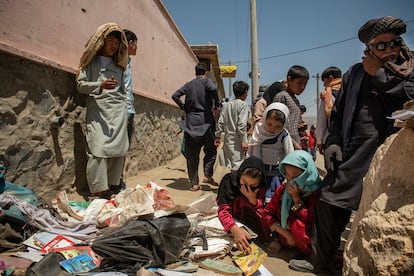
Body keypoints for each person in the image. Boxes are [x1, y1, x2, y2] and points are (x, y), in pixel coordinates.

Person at [289, 16, 414, 274]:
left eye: (394, 43)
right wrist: (333, 142)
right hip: (355, 150)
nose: (389, 49)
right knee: (328, 200)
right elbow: (338, 113)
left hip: (393, 154)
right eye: (381, 46)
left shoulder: (409, 68)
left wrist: (379, 75)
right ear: (368, 49)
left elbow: (410, 94)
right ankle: (321, 262)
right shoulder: (355, 73)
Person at [76, 23, 129, 199]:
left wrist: (125, 111)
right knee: (97, 149)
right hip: (98, 112)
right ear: (102, 41)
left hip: (118, 113)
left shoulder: (120, 67)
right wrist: (100, 85)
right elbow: (80, 85)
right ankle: (99, 189)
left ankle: (112, 185)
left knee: (119, 149)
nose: (114, 45)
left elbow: (123, 91)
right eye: (110, 40)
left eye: (117, 41)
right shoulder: (90, 63)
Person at [172, 63, 221, 191]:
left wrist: (184, 107)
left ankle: (194, 183)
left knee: (192, 155)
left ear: (195, 72)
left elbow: (175, 95)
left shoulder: (189, 85)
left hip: (191, 124)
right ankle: (207, 174)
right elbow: (214, 89)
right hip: (206, 123)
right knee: (211, 151)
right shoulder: (207, 82)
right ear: (205, 72)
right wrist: (216, 105)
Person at [264, 150, 321, 257]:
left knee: (296, 225)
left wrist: (296, 198)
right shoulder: (283, 189)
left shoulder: (316, 193)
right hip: (284, 236)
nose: (290, 180)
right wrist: (286, 234)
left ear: (306, 173)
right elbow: (267, 214)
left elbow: (311, 221)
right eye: (287, 175)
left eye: (295, 175)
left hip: (307, 240)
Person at [217, 156, 270, 254]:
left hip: (250, 221)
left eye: (252, 186)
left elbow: (263, 212)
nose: (246, 188)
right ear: (240, 174)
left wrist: (252, 200)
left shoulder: (261, 187)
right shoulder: (229, 181)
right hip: (231, 220)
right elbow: (223, 210)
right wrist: (235, 230)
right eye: (244, 182)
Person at [247, 103, 294, 203]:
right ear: (264, 119)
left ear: (283, 125)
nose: (272, 129)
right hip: (259, 174)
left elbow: (290, 155)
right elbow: (253, 152)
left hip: (276, 175)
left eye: (277, 126)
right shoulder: (259, 131)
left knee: (274, 200)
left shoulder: (283, 135)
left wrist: (289, 177)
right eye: (269, 124)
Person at [117, 29, 138, 190]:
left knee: (125, 147)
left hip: (129, 109)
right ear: (129, 43)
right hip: (122, 109)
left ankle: (119, 179)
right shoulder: (118, 62)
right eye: (135, 43)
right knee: (118, 147)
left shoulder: (129, 62)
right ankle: (116, 181)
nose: (137, 47)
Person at [215, 80, 249, 172]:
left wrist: (217, 136)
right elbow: (241, 125)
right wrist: (244, 141)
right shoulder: (243, 105)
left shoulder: (226, 105)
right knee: (238, 167)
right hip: (237, 142)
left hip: (228, 141)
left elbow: (220, 122)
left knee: (232, 167)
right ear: (245, 92)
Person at [273, 66, 309, 150]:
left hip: (295, 144)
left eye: (305, 84)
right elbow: (277, 125)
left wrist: (300, 126)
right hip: (285, 146)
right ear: (289, 80)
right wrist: (293, 143)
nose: (303, 87)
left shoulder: (295, 100)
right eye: (299, 83)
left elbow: (292, 123)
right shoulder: (282, 97)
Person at [315, 66, 342, 154]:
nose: (324, 85)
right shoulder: (349, 91)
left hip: (333, 138)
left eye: (324, 81)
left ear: (331, 78)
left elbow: (322, 121)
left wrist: (320, 141)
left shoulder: (328, 95)